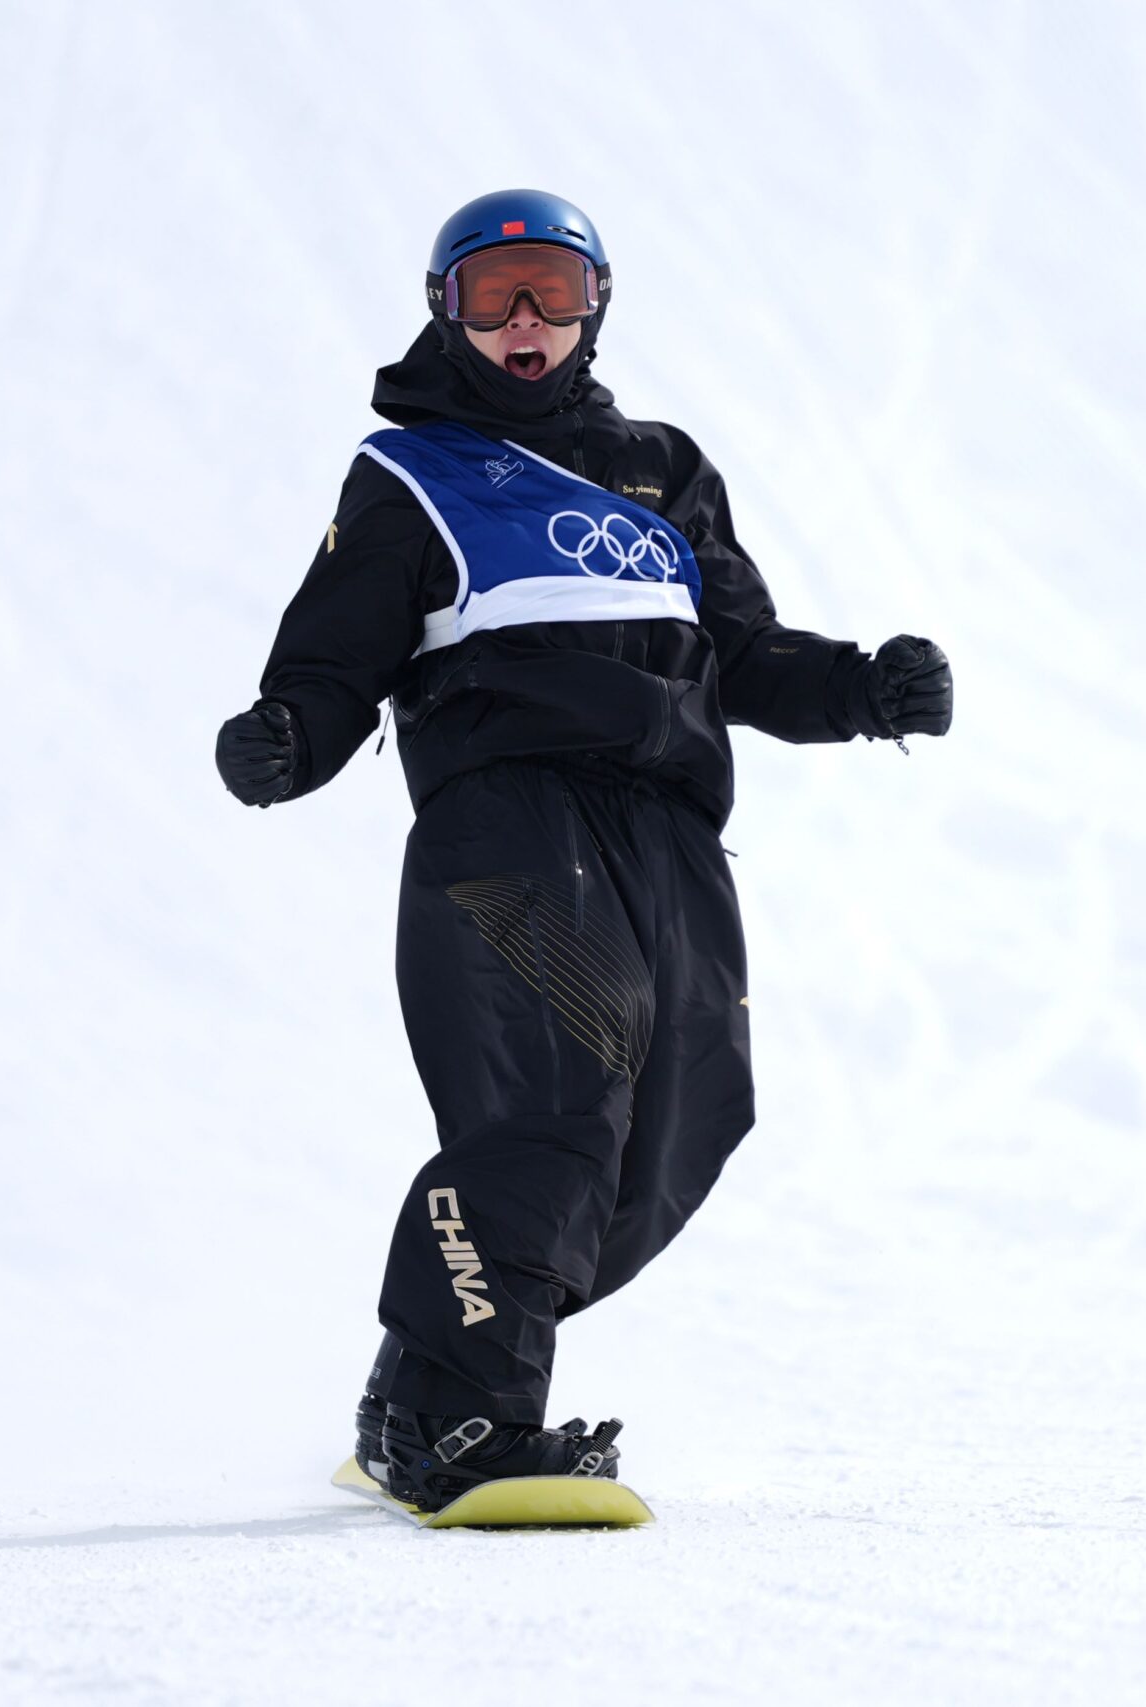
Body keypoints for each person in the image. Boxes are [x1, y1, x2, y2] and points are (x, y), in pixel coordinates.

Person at [216, 190, 952, 1512]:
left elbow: (746, 656)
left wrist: (862, 691)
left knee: (684, 1120)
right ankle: (465, 1423)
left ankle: (422, 1375)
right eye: (493, 293)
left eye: (552, 288)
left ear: (597, 303)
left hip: (666, 836)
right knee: (556, 1097)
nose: (524, 321)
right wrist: (286, 735)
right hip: (510, 823)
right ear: (446, 308)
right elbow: (337, 660)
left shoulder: (665, 471)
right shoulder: (412, 474)